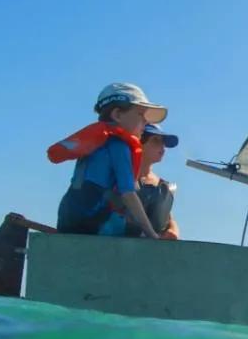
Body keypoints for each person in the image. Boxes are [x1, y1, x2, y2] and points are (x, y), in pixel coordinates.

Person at [49, 83, 173, 238]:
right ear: (118, 115)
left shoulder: (94, 143)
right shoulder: (119, 146)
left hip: (68, 218)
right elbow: (128, 194)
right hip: (93, 222)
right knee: (134, 228)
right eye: (141, 114)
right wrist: (151, 234)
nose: (146, 122)